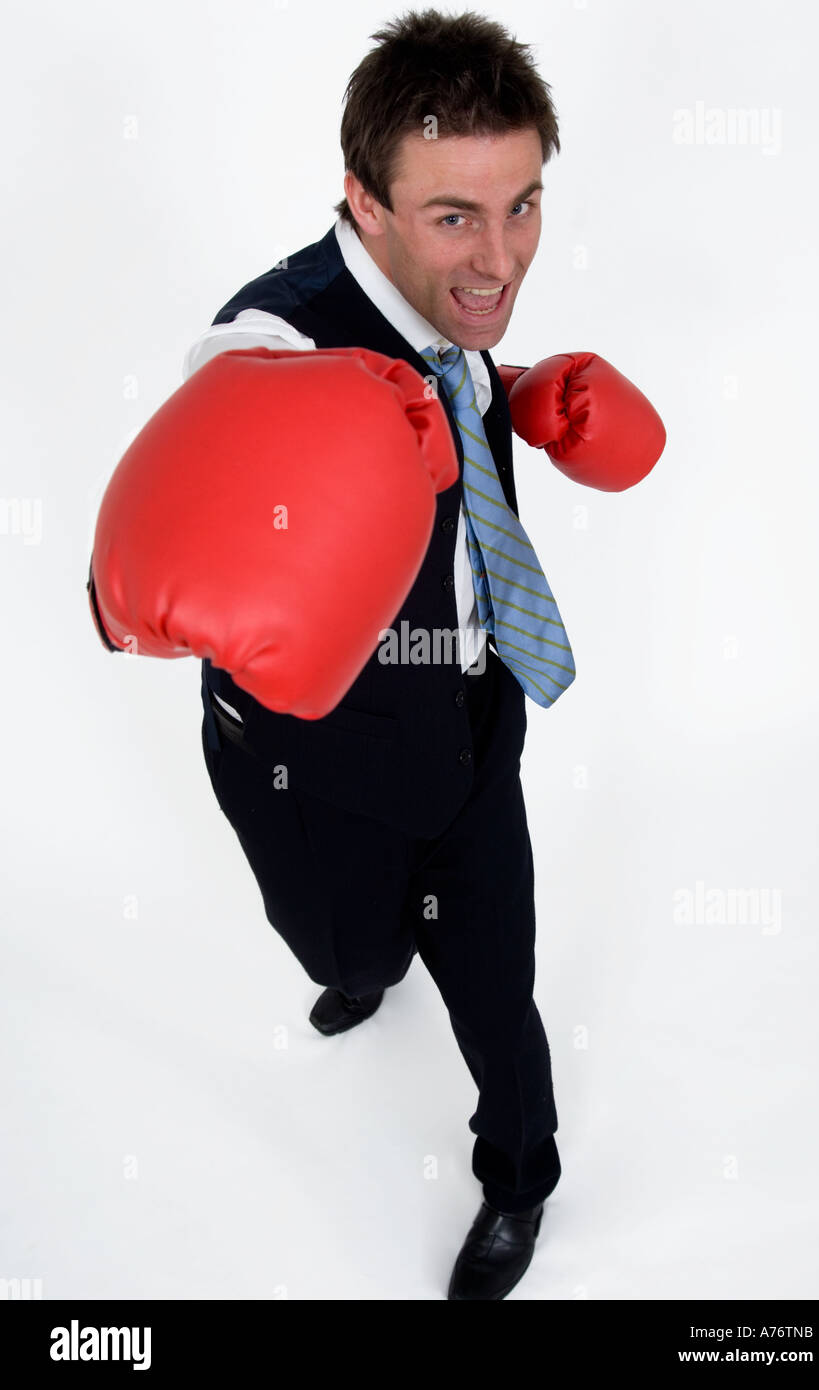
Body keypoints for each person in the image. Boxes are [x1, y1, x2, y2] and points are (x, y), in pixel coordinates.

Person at [89, 8, 665, 1300]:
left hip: (473, 719)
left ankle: (521, 1178)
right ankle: (368, 964)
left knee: (499, 993)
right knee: (345, 955)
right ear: (363, 197)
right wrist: (319, 451)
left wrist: (517, 393)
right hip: (313, 760)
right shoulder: (273, 338)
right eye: (455, 216)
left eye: (522, 205)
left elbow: (456, 368)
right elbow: (229, 397)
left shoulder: (455, 318)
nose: (501, 258)